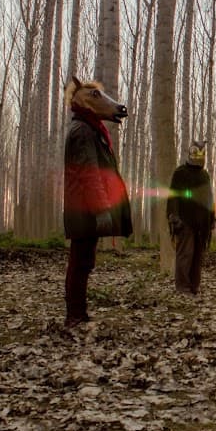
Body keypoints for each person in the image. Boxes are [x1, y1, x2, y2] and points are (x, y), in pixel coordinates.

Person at [63, 77, 132, 328]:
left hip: (85, 208)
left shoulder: (88, 129)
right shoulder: (82, 130)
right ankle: (75, 316)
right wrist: (101, 209)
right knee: (80, 262)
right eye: (94, 96)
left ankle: (78, 313)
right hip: (84, 209)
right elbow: (89, 174)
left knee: (83, 261)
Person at [167, 140, 215, 295]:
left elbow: (209, 198)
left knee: (197, 255)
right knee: (185, 254)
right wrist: (174, 216)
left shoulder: (204, 175)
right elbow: (173, 196)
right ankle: (183, 287)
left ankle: (194, 286)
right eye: (196, 152)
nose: (199, 156)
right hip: (184, 219)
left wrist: (212, 218)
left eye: (201, 153)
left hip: (202, 223)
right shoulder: (180, 172)